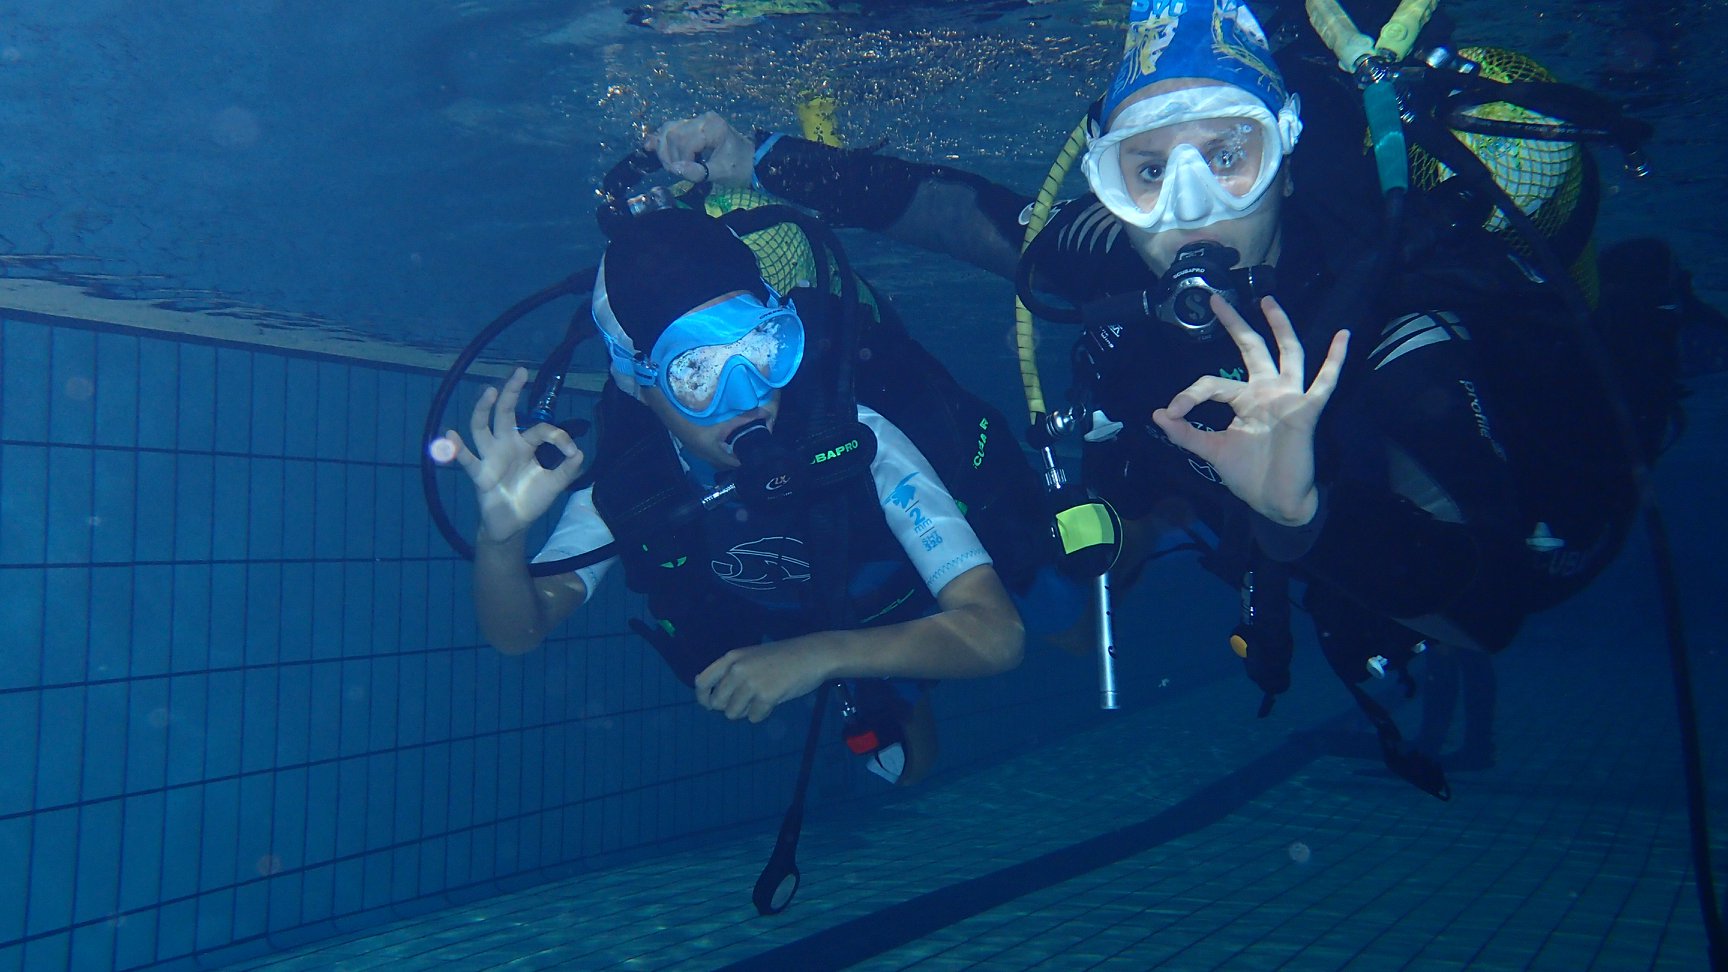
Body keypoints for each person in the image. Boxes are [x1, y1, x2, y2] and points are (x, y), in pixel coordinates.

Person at [645, 0, 1697, 791]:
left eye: (1227, 159)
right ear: (1109, 183)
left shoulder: (1386, 314)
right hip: (1279, 538)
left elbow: (1494, 610)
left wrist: (1304, 517)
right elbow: (962, 218)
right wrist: (766, 158)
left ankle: (1667, 331)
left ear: (1283, 155)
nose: (1189, 208)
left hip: (1507, 511)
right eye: (1146, 171)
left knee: (1596, 466)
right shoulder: (1115, 263)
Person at [443, 205, 1052, 786]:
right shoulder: (634, 481)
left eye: (762, 349)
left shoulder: (853, 436)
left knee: (1070, 629)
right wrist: (501, 539)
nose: (746, 394)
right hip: (835, 632)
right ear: (638, 382)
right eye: (696, 374)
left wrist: (821, 656)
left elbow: (997, 636)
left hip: (906, 605)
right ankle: (889, 687)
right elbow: (518, 631)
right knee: (914, 765)